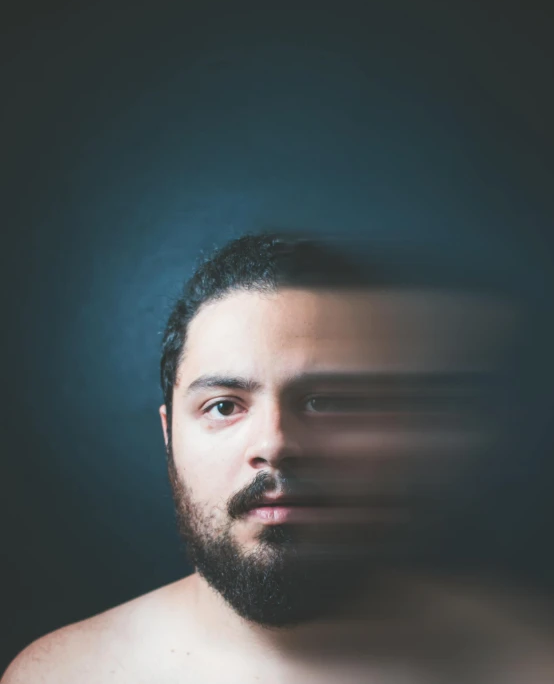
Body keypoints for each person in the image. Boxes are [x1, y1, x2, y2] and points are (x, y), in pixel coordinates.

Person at [3, 233, 552, 683]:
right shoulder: (65, 676)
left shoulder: (527, 662)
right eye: (223, 405)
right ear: (168, 434)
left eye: (327, 401)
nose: (275, 443)